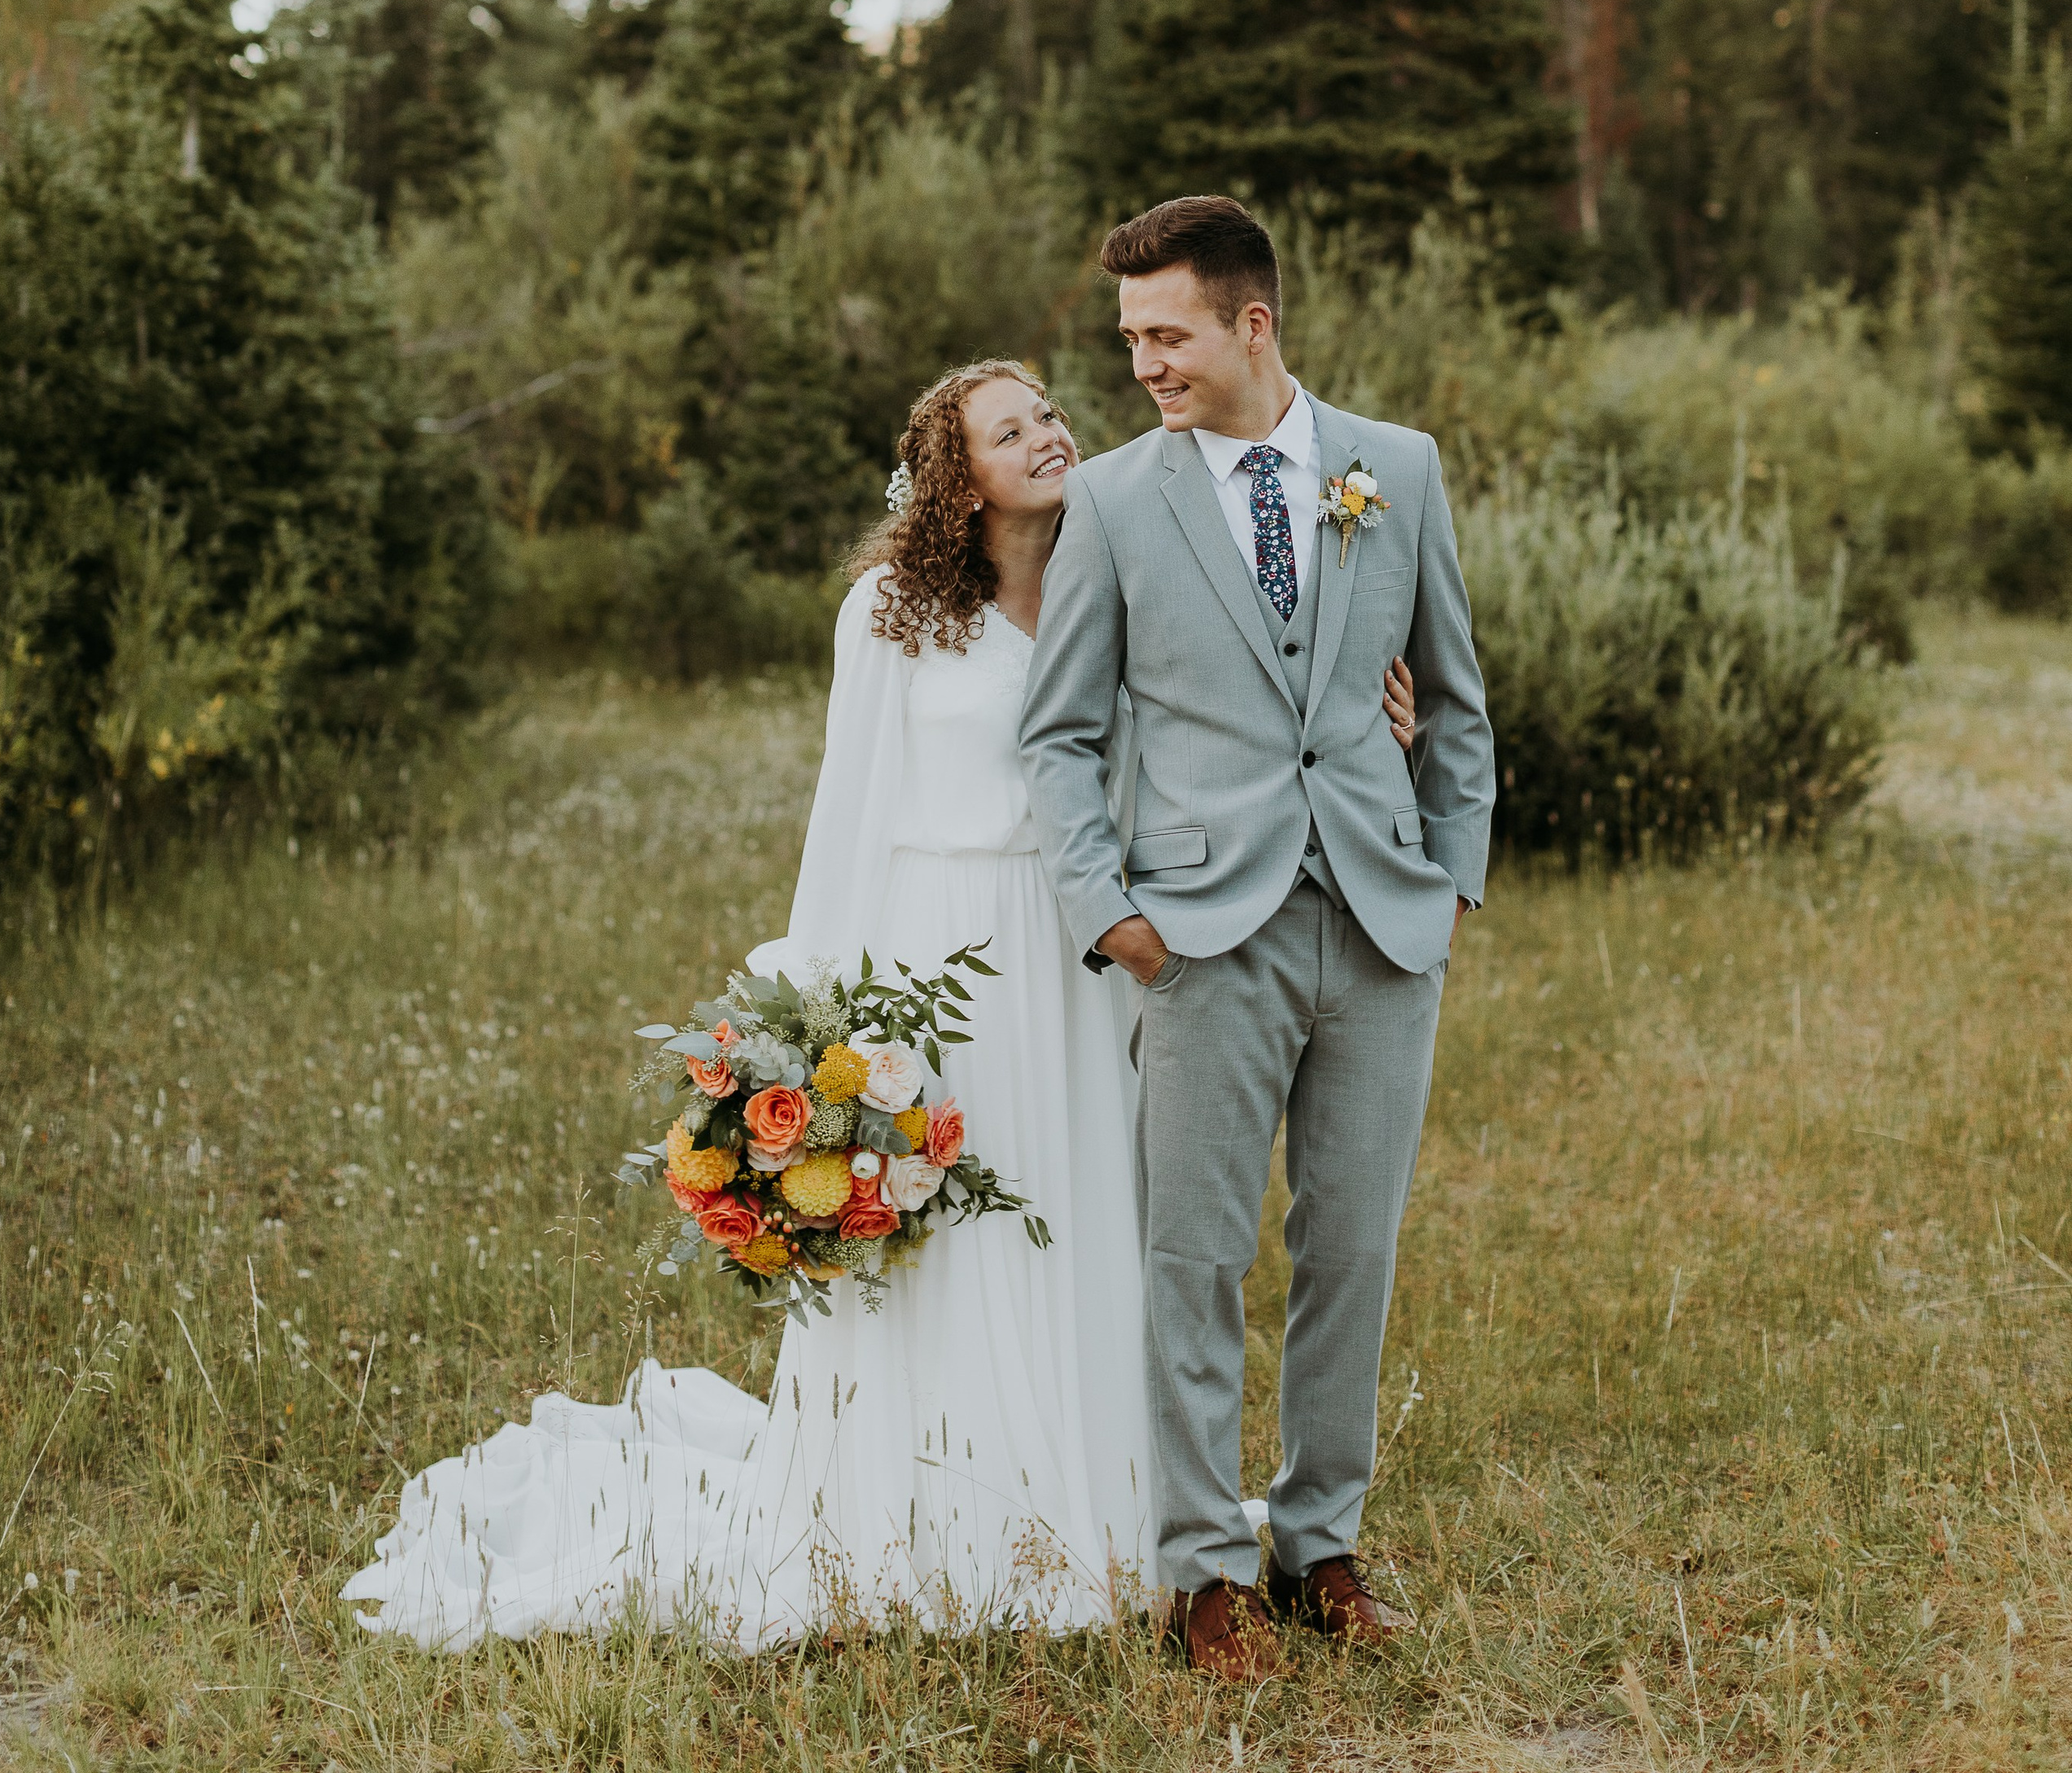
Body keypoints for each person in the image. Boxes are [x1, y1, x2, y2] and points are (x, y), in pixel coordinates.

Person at [344, 358, 1419, 1652]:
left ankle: (1106, 1514)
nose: (1049, 436)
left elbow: (1227, 734)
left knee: (1092, 1222)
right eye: (1010, 429)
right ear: (958, 482)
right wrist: (815, 1025)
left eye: (1052, 416)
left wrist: (1370, 730)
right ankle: (925, 1519)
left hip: (1083, 956)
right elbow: (845, 815)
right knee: (941, 1235)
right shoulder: (890, 613)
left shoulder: (1126, 579)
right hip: (936, 957)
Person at [1018, 195, 1493, 1683]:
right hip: (1203, 936)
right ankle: (1202, 1572)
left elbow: (1457, 700)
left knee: (1350, 1245)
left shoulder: (1394, 471)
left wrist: (1452, 878)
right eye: (1131, 340)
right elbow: (1060, 737)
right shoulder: (1108, 502)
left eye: (1167, 335)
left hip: (1380, 923)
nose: (1144, 363)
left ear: (1252, 324)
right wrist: (1114, 916)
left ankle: (1322, 1546)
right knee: (1195, 1254)